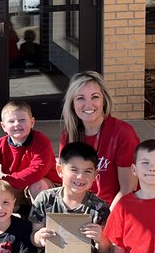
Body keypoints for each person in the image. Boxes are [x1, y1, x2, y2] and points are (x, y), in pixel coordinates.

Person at [27, 142, 112, 253]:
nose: (80, 177)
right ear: (60, 170)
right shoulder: (45, 199)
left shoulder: (99, 207)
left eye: (88, 171)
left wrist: (101, 239)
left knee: (87, 252)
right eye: (73, 170)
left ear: (96, 174)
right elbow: (33, 237)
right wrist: (39, 237)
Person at [57, 71, 139, 209]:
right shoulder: (69, 135)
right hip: (82, 211)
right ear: (72, 104)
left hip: (115, 210)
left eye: (95, 97)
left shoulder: (122, 133)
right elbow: (67, 185)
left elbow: (128, 189)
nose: (88, 104)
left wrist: (105, 220)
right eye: (80, 98)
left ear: (104, 101)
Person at [0, 100, 63, 204]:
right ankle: (19, 212)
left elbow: (37, 171)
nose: (17, 124)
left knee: (37, 185)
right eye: (11, 121)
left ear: (32, 122)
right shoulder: (1, 144)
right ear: (3, 126)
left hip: (47, 185)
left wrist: (5, 182)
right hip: (19, 185)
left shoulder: (41, 142)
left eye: (22, 120)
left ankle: (41, 218)